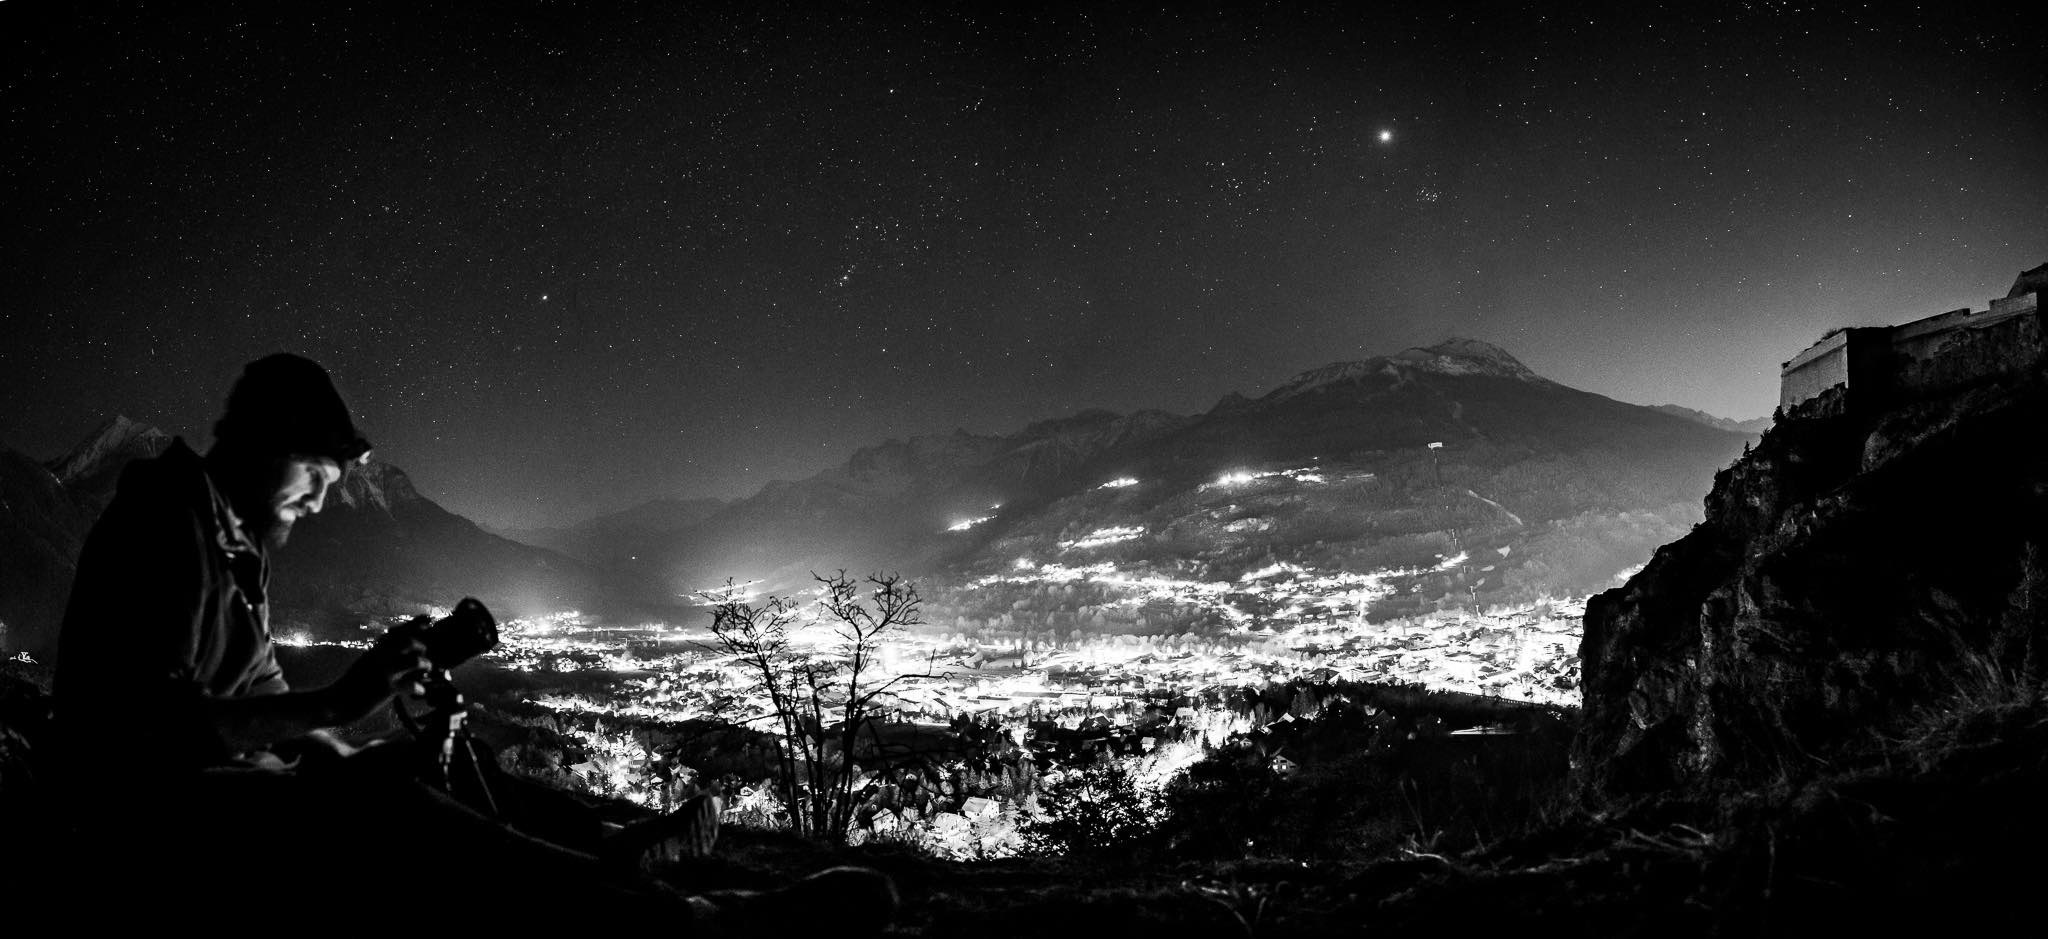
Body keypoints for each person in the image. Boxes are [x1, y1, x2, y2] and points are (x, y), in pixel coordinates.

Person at [47, 354, 894, 931]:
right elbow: (148, 731)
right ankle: (698, 924)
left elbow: (269, 713)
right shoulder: (165, 524)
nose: (316, 505)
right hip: (149, 826)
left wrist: (373, 731)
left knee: (435, 766)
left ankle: (606, 858)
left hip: (220, 798)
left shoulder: (232, 549)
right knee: (378, 803)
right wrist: (345, 709)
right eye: (314, 478)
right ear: (266, 445)